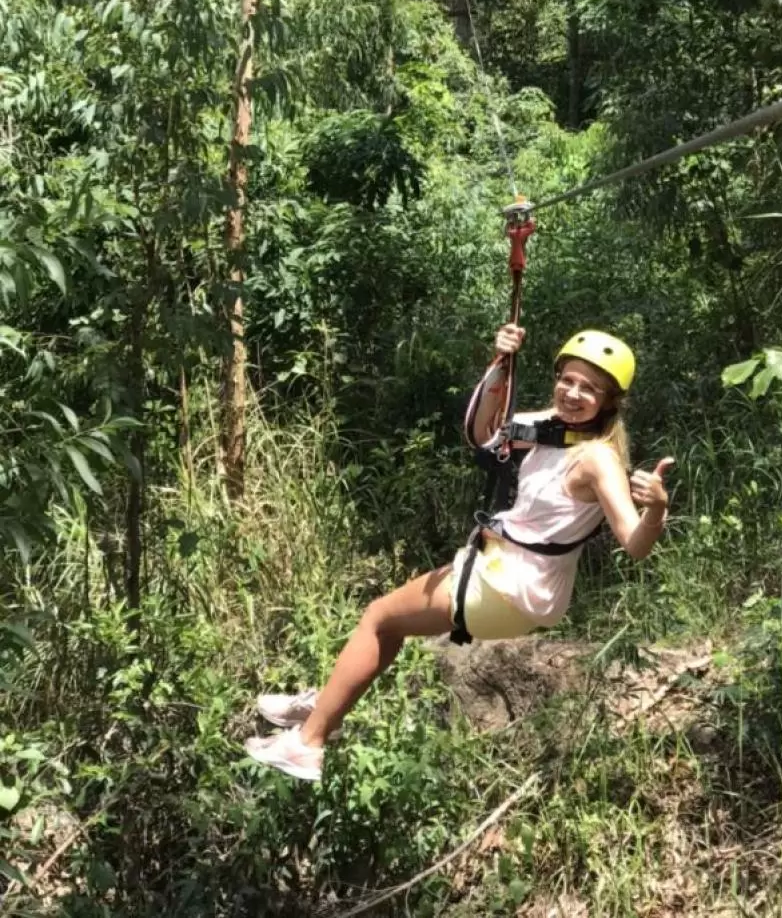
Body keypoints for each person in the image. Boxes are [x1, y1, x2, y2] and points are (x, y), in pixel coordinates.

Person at [245, 326, 673, 780]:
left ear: (609, 402)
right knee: (388, 627)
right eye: (567, 379)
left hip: (506, 585)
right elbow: (486, 431)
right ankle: (328, 702)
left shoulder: (596, 459)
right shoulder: (556, 429)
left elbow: (635, 544)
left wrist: (657, 511)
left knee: (376, 617)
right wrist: (500, 364)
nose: (573, 393)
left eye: (590, 388)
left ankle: (307, 744)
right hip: (508, 579)